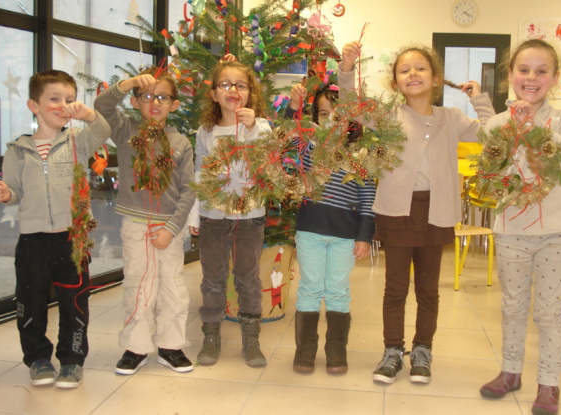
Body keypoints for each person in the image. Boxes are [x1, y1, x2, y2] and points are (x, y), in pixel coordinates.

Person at [340, 41, 495, 385]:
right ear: (395, 83)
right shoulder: (387, 115)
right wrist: (347, 69)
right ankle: (392, 351)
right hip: (397, 211)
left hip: (436, 211)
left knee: (428, 290)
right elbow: (351, 107)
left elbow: (493, 134)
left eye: (421, 68)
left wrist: (480, 99)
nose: (413, 74)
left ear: (436, 78)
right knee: (395, 288)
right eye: (404, 70)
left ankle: (423, 350)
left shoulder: (452, 117)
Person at [0, 69, 111, 388]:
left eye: (69, 100)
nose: (63, 105)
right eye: (54, 99)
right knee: (30, 303)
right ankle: (38, 358)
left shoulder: (77, 141)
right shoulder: (17, 149)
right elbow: (13, 189)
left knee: (74, 304)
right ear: (34, 105)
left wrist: (87, 113)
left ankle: (72, 360)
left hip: (72, 239)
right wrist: (5, 194)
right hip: (32, 240)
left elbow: (102, 129)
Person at [478, 39, 561, 415]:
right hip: (511, 231)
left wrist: (534, 126)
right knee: (513, 307)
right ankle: (510, 372)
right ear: (510, 76)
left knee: (551, 313)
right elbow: (491, 171)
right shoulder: (496, 123)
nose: (531, 77)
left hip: (556, 233)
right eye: (523, 70)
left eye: (541, 71)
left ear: (554, 78)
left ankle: (549, 383)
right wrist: (511, 129)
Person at [94, 67, 196, 375]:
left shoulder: (181, 143)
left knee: (173, 287)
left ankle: (170, 346)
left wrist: (171, 228)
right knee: (139, 285)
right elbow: (102, 107)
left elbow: (189, 190)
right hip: (136, 224)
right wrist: (128, 83)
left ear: (174, 104)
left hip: (170, 228)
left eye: (163, 97)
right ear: (136, 102)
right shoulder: (126, 131)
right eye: (147, 96)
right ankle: (136, 347)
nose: (154, 103)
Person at [283, 82, 374, 375]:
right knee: (309, 287)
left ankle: (336, 349)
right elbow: (288, 138)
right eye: (324, 114)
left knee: (337, 290)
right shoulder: (309, 148)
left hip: (345, 235)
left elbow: (367, 197)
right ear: (315, 118)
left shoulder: (360, 155)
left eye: (338, 115)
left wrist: (364, 235)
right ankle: (305, 349)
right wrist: (293, 107)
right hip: (310, 229)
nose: (331, 122)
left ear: (350, 120)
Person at [188, 60, 272, 368]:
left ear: (251, 93)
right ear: (213, 94)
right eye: (225, 84)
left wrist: (250, 127)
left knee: (248, 278)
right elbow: (199, 171)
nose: (233, 89)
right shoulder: (206, 131)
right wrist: (195, 214)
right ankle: (211, 335)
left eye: (241, 84)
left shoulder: (260, 126)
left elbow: (263, 158)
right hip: (213, 216)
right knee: (213, 278)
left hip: (250, 215)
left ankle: (251, 335)